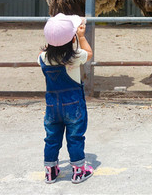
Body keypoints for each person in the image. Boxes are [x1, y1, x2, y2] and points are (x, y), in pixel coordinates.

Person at [39, 13, 94, 184]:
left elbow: (44, 52)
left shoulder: (43, 57)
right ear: (72, 39)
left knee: (52, 137)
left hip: (52, 106)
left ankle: (50, 171)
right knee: (75, 136)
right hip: (73, 105)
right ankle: (78, 171)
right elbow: (89, 53)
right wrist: (82, 37)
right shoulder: (75, 57)